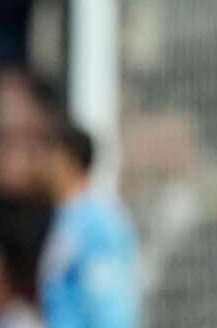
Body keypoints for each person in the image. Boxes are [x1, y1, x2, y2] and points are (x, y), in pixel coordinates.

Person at [39, 124, 138, 328]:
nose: (41, 163)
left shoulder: (95, 223)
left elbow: (109, 302)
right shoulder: (65, 218)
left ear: (69, 160)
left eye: (48, 154)